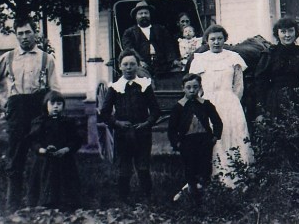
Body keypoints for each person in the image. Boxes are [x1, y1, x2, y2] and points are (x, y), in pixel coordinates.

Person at [0, 18, 57, 208]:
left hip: (38, 110)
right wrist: (4, 101)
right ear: (16, 35)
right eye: (20, 33)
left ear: (35, 33)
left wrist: (50, 111)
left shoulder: (46, 58)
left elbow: (54, 89)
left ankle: (38, 203)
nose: (24, 37)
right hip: (16, 109)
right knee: (16, 157)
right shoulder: (8, 58)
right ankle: (13, 205)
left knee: (41, 155)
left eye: (28, 32)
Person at [188, 24, 254, 187]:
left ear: (225, 40)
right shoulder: (200, 59)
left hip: (229, 103)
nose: (216, 42)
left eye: (219, 39)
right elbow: (195, 85)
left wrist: (232, 102)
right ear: (206, 41)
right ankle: (209, 177)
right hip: (208, 103)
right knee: (210, 138)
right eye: (213, 39)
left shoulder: (233, 58)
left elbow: (239, 85)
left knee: (232, 135)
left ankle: (237, 176)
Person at [99, 49, 161, 202]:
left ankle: (147, 196)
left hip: (142, 133)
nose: (129, 67)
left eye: (132, 64)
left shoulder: (144, 86)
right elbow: (105, 113)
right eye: (125, 64)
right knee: (124, 166)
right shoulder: (115, 88)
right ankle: (123, 198)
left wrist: (147, 124)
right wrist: (118, 123)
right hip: (123, 134)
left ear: (138, 66)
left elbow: (156, 111)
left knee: (143, 165)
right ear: (119, 66)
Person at [167, 73, 224, 205]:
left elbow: (217, 121)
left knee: (205, 167)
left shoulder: (206, 104)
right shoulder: (179, 107)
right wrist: (177, 143)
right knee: (190, 168)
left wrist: (215, 136)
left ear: (200, 87)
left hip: (204, 140)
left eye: (195, 87)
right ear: (183, 88)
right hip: (187, 142)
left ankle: (206, 195)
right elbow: (172, 128)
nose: (192, 91)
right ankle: (192, 195)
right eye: (188, 87)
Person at [25, 91, 82, 210]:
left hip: (64, 159)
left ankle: (66, 206)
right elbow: (33, 141)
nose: (56, 106)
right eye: (52, 103)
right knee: (46, 180)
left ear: (63, 106)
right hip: (44, 160)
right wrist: (43, 149)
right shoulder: (39, 122)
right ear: (46, 105)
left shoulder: (67, 122)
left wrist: (66, 149)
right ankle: (45, 204)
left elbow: (76, 140)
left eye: (59, 104)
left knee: (66, 187)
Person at [255, 17, 299, 120]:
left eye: (290, 31)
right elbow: (260, 83)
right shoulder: (270, 54)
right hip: (273, 101)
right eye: (283, 31)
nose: (287, 35)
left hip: (297, 99)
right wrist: (260, 111)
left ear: (295, 33)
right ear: (277, 33)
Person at [121, 0, 181, 78]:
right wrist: (139, 61)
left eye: (146, 13)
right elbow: (130, 49)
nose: (143, 15)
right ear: (136, 16)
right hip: (142, 66)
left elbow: (169, 46)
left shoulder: (160, 29)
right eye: (140, 13)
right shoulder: (129, 33)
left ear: (150, 15)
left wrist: (173, 59)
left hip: (163, 65)